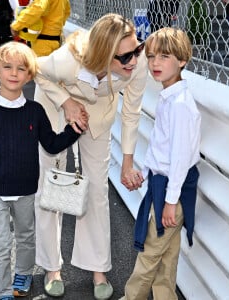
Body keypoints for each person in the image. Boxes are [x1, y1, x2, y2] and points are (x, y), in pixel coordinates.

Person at [34, 13, 148, 300]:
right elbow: (36, 70)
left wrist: (127, 163)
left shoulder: (138, 62)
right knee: (51, 183)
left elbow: (132, 112)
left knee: (97, 189)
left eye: (137, 49)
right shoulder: (66, 61)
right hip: (55, 103)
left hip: (99, 113)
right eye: (124, 57)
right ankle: (51, 267)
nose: (133, 60)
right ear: (104, 54)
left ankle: (98, 269)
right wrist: (67, 102)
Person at [0, 41, 85, 300]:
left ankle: (22, 273)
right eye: (7, 67)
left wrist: (73, 130)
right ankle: (2, 291)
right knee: (0, 244)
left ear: (30, 75)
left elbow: (52, 145)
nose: (13, 73)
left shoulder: (35, 111)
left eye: (21, 69)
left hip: (25, 189)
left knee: (26, 236)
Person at [120, 27, 201, 300]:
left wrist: (169, 201)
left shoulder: (179, 104)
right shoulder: (169, 97)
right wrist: (145, 172)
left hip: (172, 191)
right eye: (152, 56)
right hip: (163, 185)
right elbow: (160, 147)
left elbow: (179, 159)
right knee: (167, 254)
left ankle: (132, 297)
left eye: (164, 56)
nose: (155, 63)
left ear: (182, 61)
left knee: (151, 251)